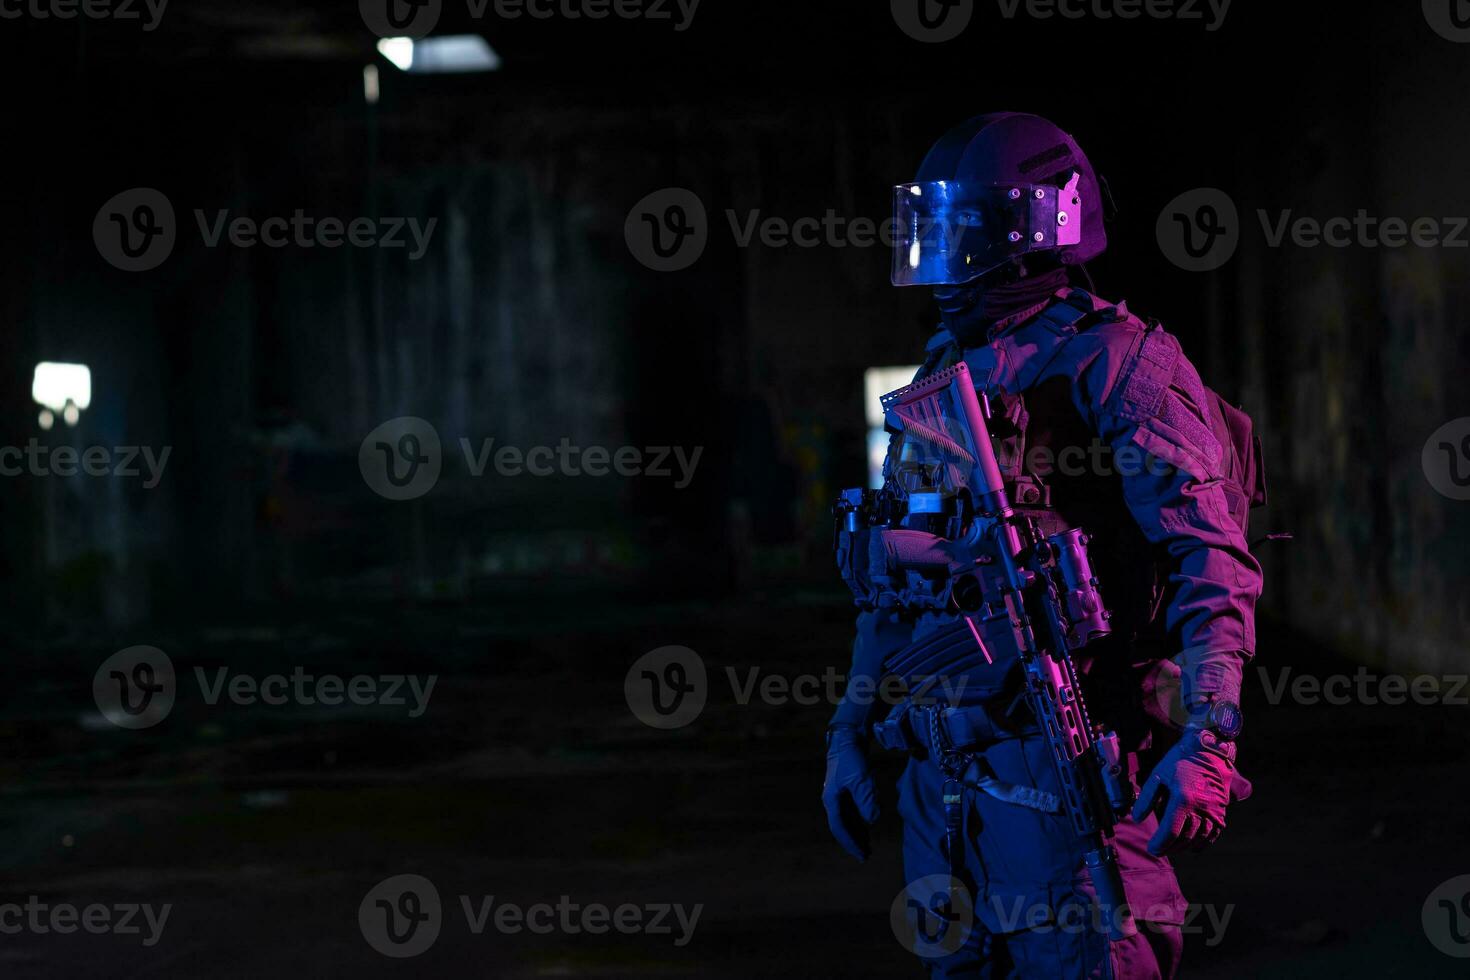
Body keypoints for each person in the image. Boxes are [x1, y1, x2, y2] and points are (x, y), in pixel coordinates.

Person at [824, 112, 1264, 978]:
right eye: (935, 230)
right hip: (943, 798)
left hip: (1067, 783)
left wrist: (1211, 738)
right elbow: (900, 577)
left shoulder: (1117, 363)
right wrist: (851, 727)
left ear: (1042, 230)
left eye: (972, 233)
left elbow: (1213, 560)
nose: (947, 261)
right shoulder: (941, 372)